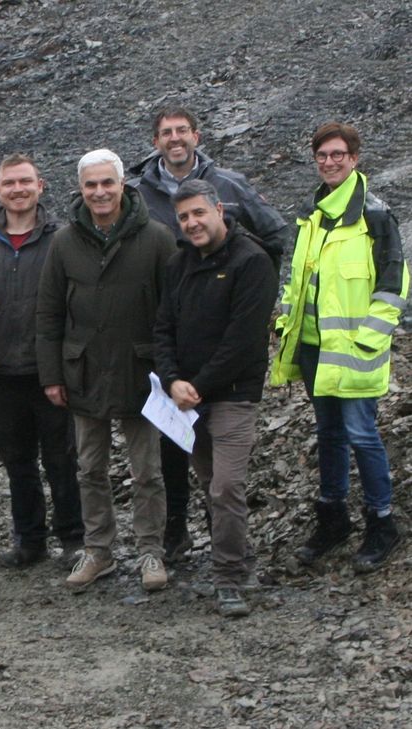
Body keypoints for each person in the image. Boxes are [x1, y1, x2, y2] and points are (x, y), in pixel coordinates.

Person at [129, 106, 293, 563]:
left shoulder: (231, 189)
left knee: (224, 484)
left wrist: (251, 285)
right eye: (166, 132)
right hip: (178, 362)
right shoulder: (139, 193)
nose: (175, 138)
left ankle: (230, 567)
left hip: (225, 378)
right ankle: (179, 536)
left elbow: (276, 234)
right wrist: (174, 375)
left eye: (182, 130)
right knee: (186, 466)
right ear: (156, 141)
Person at [272, 122, 408, 573]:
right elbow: (300, 280)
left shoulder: (374, 214)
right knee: (328, 434)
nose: (329, 162)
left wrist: (370, 339)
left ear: (354, 158)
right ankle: (333, 519)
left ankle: (381, 522)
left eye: (338, 154)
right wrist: (284, 320)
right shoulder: (314, 215)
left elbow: (394, 282)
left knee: (363, 435)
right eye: (322, 155)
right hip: (313, 350)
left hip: (355, 351)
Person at [36, 149, 175, 592]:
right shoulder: (63, 242)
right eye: (91, 184)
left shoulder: (156, 238)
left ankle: (152, 549)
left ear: (122, 185)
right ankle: (99, 550)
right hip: (84, 371)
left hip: (141, 371)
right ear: (80, 189)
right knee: (89, 469)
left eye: (107, 183)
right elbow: (49, 313)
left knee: (147, 471)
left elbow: (174, 311)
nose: (100, 192)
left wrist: (171, 371)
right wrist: (52, 374)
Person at [154, 179, 279, 617]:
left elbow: (242, 342)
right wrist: (171, 380)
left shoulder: (252, 262)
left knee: (226, 486)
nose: (192, 223)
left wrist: (198, 386)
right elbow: (163, 328)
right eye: (184, 216)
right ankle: (241, 560)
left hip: (232, 397)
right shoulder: (178, 264)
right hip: (187, 399)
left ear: (219, 210)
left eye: (198, 213)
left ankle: (227, 579)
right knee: (211, 485)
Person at [0, 153, 84, 568]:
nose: (18, 189)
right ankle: (29, 540)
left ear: (40, 185)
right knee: (17, 461)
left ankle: (73, 540)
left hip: (50, 371)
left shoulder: (63, 239)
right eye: (9, 183)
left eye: (25, 181)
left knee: (62, 458)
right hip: (1, 371)